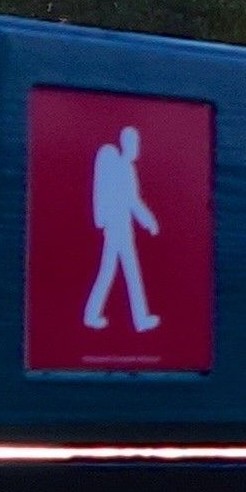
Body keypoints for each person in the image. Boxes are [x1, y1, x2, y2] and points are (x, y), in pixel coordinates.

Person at [81, 119, 163, 335]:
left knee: (115, 270)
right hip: (116, 227)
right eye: (135, 143)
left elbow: (133, 200)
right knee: (122, 271)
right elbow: (114, 195)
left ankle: (99, 316)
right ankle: (137, 319)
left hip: (123, 228)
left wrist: (148, 221)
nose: (137, 148)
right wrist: (103, 218)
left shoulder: (128, 168)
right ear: (127, 143)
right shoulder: (112, 160)